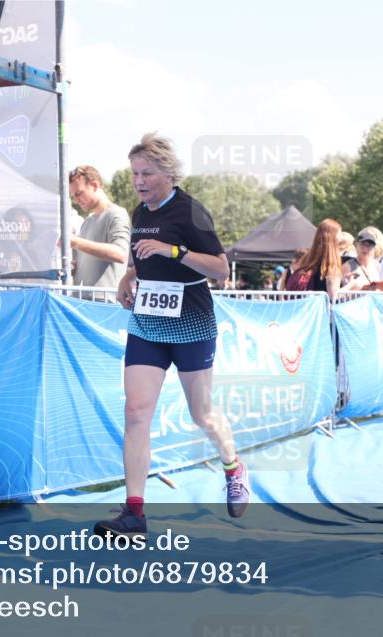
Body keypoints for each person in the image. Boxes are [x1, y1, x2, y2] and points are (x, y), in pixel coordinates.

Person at [96, 133, 248, 537]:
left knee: (202, 413)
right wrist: (129, 277)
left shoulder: (191, 212)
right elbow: (140, 258)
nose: (139, 181)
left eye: (146, 173)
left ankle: (233, 465)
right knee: (136, 411)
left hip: (191, 322)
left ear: (167, 173)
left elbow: (220, 270)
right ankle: (134, 513)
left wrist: (174, 251)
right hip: (148, 321)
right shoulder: (140, 212)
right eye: (134, 174)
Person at [68, 165, 131, 288]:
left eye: (79, 193)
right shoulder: (87, 222)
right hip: (81, 301)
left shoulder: (116, 214)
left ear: (95, 186)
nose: (76, 200)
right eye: (74, 196)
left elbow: (121, 254)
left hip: (103, 304)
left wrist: (75, 242)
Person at [287, 219, 344, 299]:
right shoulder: (331, 263)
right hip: (323, 310)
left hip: (306, 308)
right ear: (333, 237)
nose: (341, 238)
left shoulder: (308, 258)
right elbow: (333, 296)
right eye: (340, 233)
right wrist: (353, 286)